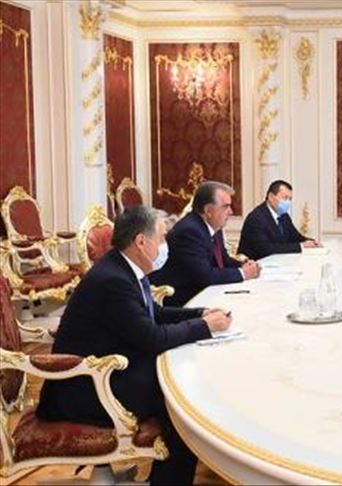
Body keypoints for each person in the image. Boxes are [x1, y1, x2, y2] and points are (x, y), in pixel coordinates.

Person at [36, 206, 233, 484]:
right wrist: (204, 327)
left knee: (182, 384)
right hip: (84, 387)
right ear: (141, 241)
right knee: (182, 404)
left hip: (111, 366)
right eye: (162, 238)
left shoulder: (123, 267)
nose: (166, 246)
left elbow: (154, 313)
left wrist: (199, 313)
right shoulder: (113, 280)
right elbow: (152, 337)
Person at [151, 181, 261, 306]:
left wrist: (244, 265)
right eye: (226, 207)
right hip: (183, 300)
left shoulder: (214, 225)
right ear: (208, 210)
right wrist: (243, 273)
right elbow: (205, 276)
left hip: (207, 291)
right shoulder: (189, 231)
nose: (231, 212)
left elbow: (223, 260)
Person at [237, 180, 321, 260]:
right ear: (271, 197)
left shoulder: (284, 216)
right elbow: (265, 249)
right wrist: (300, 246)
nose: (288, 202)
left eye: (290, 199)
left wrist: (311, 242)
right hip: (256, 264)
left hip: (278, 262)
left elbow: (295, 237)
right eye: (285, 198)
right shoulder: (256, 218)